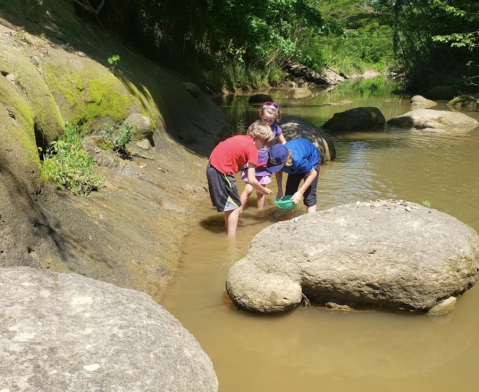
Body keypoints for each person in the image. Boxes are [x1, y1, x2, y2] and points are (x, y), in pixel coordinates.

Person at [206, 124, 274, 235]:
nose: (264, 147)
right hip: (221, 172)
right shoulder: (253, 150)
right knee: (236, 208)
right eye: (264, 144)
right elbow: (252, 179)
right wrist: (263, 190)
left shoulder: (241, 137)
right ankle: (231, 239)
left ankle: (229, 232)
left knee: (230, 206)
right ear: (259, 139)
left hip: (212, 165)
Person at [239, 102, 287, 211]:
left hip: (265, 165)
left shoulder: (275, 129)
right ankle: (239, 211)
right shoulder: (254, 127)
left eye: (271, 121)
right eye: (266, 120)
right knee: (248, 189)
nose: (268, 123)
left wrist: (285, 154)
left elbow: (284, 143)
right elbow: (246, 142)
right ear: (261, 114)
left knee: (261, 191)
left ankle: (260, 213)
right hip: (251, 163)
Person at [266, 138, 320, 217]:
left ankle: (310, 221)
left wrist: (300, 192)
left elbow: (313, 174)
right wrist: (280, 189)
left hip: (311, 160)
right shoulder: (276, 156)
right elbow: (278, 170)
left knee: (309, 197)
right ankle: (288, 218)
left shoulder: (298, 160)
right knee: (289, 193)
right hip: (294, 166)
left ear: (286, 160)